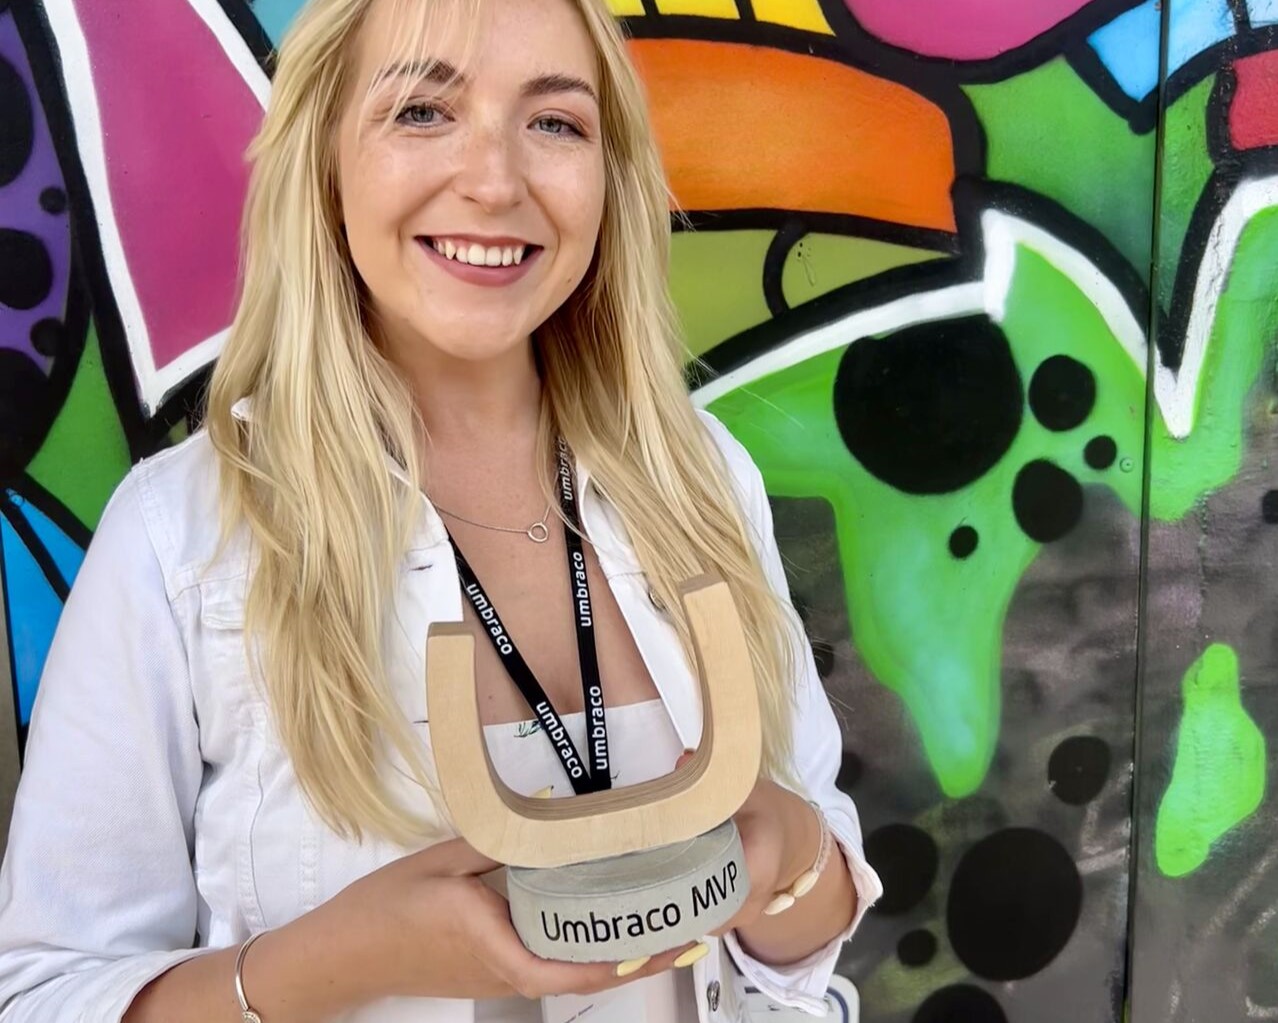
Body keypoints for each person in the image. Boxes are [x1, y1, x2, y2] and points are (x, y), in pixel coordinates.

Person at [0, 0, 882, 1019]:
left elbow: (801, 960)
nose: (496, 182)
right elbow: (44, 995)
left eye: (555, 123)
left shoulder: (698, 478)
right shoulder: (182, 537)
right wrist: (347, 958)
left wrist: (791, 858)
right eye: (422, 111)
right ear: (325, 162)